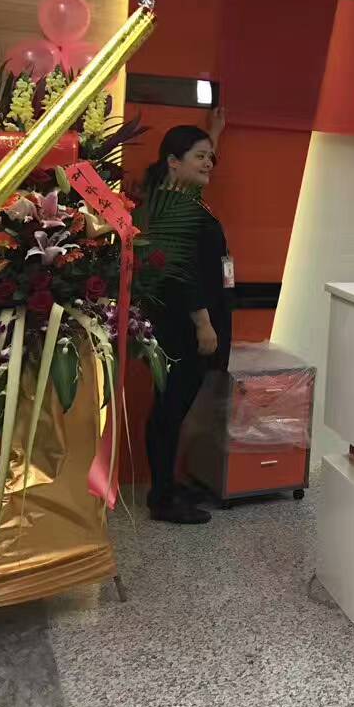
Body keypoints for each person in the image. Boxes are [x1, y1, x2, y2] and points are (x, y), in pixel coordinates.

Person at [143, 114, 232, 524]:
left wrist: (212, 138)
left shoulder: (181, 195)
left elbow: (198, 167)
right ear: (173, 161)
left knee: (175, 407)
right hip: (182, 325)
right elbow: (178, 272)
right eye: (200, 156)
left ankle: (166, 484)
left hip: (190, 320)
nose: (209, 163)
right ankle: (162, 498)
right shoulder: (172, 206)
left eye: (211, 157)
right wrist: (203, 323)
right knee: (169, 408)